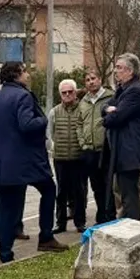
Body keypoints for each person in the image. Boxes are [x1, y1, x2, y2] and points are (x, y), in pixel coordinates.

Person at [0, 61, 68, 263]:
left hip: (5, 162)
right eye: (25, 71)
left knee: (9, 206)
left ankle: (5, 252)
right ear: (16, 75)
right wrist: (43, 120)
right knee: (49, 190)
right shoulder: (24, 96)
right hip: (28, 160)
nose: (28, 74)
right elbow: (27, 124)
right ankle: (45, 236)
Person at [102, 53, 140, 221]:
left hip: (130, 151)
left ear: (130, 71)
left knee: (129, 194)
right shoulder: (123, 90)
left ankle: (132, 225)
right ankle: (129, 222)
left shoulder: (135, 91)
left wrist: (111, 113)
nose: (116, 71)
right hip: (123, 150)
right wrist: (110, 110)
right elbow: (105, 107)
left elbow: (115, 117)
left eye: (119, 68)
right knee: (123, 192)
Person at [47, 80, 89, 233]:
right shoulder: (54, 112)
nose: (67, 95)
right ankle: (60, 223)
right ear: (60, 94)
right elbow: (50, 134)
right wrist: (54, 148)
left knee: (79, 192)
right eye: (64, 92)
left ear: (75, 92)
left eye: (70, 91)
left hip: (79, 158)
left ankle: (80, 222)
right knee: (61, 192)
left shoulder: (83, 110)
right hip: (61, 158)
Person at [78, 71, 114, 225]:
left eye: (93, 79)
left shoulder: (111, 97)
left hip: (105, 149)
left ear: (100, 79)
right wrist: (82, 142)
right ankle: (101, 216)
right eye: (87, 80)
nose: (91, 82)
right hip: (89, 150)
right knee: (96, 186)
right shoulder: (84, 101)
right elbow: (79, 123)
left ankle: (110, 215)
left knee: (109, 185)